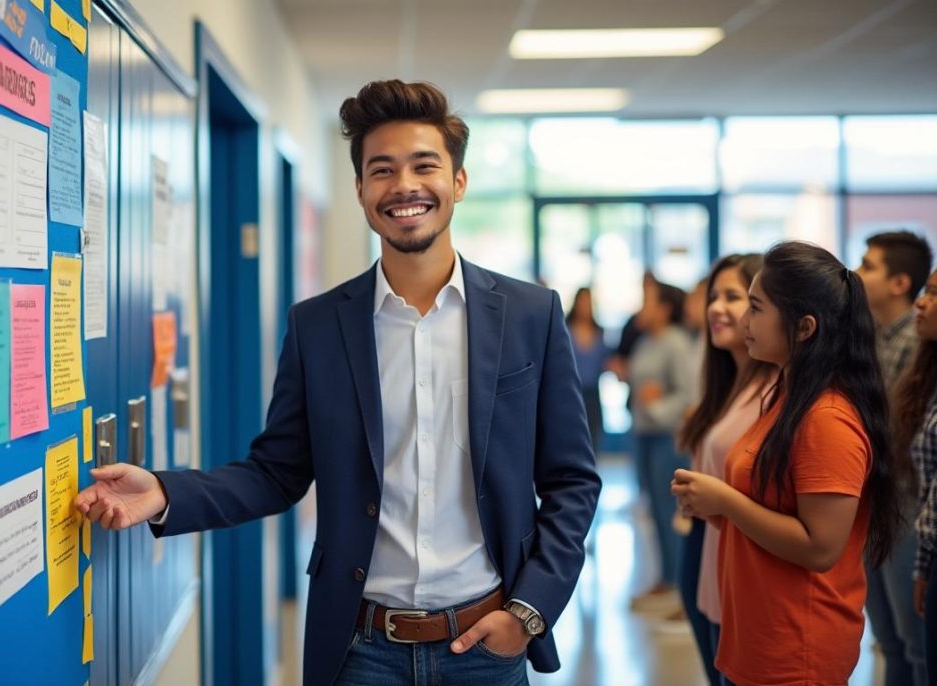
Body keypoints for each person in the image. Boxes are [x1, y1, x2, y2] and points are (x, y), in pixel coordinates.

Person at [74, 80, 601, 686]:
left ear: (457, 181)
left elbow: (571, 480)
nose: (404, 185)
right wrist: (164, 494)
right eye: (382, 170)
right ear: (360, 190)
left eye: (424, 165)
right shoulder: (318, 326)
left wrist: (527, 613)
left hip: (485, 642)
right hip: (361, 649)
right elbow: (277, 473)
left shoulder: (530, 316)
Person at [672, 241, 901, 685]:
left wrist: (726, 501)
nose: (742, 320)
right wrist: (714, 509)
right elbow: (773, 516)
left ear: (804, 327)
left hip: (796, 645)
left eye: (755, 308)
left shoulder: (828, 418)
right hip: (758, 634)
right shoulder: (788, 398)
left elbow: (820, 547)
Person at [676, 254, 775, 686]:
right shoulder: (726, 383)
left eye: (734, 297)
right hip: (707, 552)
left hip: (738, 563)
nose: (716, 307)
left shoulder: (775, 389)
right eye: (713, 296)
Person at [856, 230, 933, 686]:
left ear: (899, 282)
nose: (858, 273)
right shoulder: (880, 335)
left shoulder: (917, 343)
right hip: (880, 503)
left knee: (913, 642)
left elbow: (895, 435)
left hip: (905, 507)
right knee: (889, 639)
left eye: (869, 266)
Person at [628, 281, 695, 607]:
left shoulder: (676, 343)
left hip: (667, 437)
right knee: (654, 509)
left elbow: (687, 395)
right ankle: (666, 578)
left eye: (648, 301)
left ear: (665, 308)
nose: (642, 307)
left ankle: (676, 584)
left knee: (669, 511)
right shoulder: (645, 343)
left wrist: (655, 407)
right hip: (644, 436)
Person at [902, 270, 937, 676]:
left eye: (934, 294)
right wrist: (924, 567)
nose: (921, 302)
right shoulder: (929, 373)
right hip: (929, 549)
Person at [567, 287, 609, 453]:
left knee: (593, 441)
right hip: (571, 394)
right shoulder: (565, 330)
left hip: (592, 395)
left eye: (589, 302)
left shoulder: (599, 333)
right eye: (583, 301)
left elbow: (605, 363)